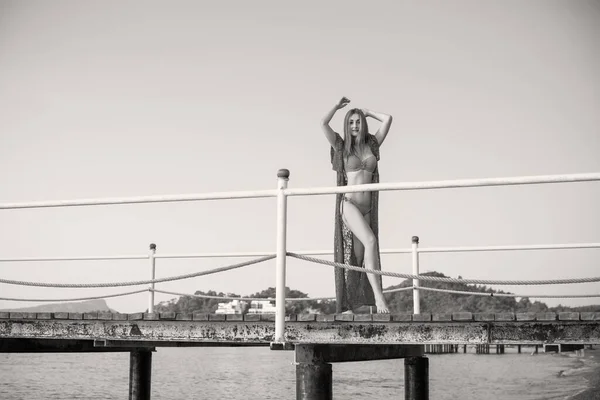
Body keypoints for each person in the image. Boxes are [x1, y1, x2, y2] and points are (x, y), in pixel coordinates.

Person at [321, 96, 393, 314]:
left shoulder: (372, 144)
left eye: (358, 122)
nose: (354, 126)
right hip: (350, 205)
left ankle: (350, 306)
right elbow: (323, 124)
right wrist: (335, 106)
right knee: (371, 241)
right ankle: (380, 299)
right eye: (351, 122)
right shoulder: (341, 146)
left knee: (360, 258)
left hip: (367, 208)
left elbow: (388, 119)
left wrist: (368, 111)